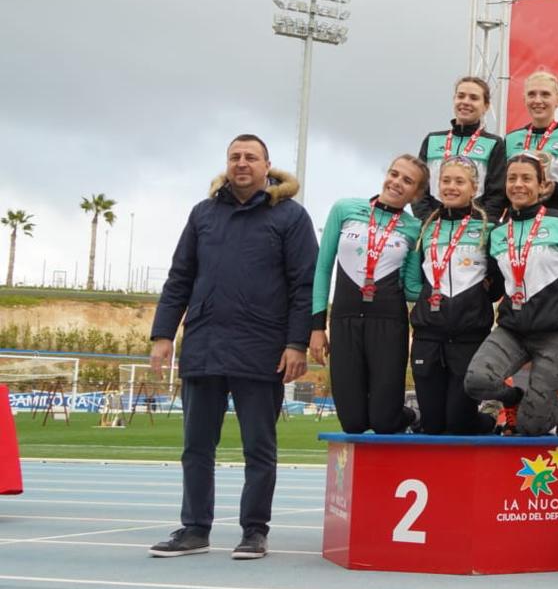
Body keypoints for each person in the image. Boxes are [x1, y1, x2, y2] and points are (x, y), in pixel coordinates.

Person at [147, 135, 318, 560]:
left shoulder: (291, 217)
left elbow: (305, 285)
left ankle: (254, 530)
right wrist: (163, 335)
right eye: (234, 157)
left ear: (267, 166)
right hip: (204, 346)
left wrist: (297, 343)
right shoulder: (203, 214)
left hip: (262, 351)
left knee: (258, 448)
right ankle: (194, 529)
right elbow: (179, 277)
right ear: (227, 164)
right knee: (195, 447)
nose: (242, 164)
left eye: (250, 157)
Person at [464, 153, 558, 434]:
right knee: (476, 382)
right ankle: (515, 399)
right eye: (512, 178)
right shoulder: (496, 232)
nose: (518, 184)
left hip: (555, 334)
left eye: (527, 178)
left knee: (532, 426)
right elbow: (494, 287)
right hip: (512, 330)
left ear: (542, 186)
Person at [308, 156, 426, 435]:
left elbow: (411, 286)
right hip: (344, 320)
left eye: (407, 181)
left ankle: (409, 415)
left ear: (416, 194)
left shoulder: (414, 228)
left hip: (389, 323)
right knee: (353, 421)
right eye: (394, 174)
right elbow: (323, 269)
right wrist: (316, 326)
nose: (396, 182)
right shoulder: (345, 209)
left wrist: (446, 295)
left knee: (384, 420)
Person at [410, 157, 498, 436]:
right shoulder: (426, 228)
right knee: (433, 425)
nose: (451, 187)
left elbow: (498, 282)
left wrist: (477, 299)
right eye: (446, 181)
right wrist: (426, 300)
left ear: (474, 188)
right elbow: (413, 280)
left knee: (458, 422)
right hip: (428, 337)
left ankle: (490, 420)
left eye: (459, 181)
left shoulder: (489, 229)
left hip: (468, 337)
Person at [414, 75, 506, 221]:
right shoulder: (432, 140)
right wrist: (427, 220)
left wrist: (481, 226)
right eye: (461, 96)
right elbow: (419, 188)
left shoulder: (494, 144)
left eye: (474, 98)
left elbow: (497, 195)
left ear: (486, 106)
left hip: (474, 229)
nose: (466, 102)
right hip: (433, 226)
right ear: (454, 99)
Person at [502, 71, 558, 220]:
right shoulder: (511, 139)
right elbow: (500, 189)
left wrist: (555, 190)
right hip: (517, 227)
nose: (538, 100)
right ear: (524, 99)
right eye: (531, 94)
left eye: (545, 94)